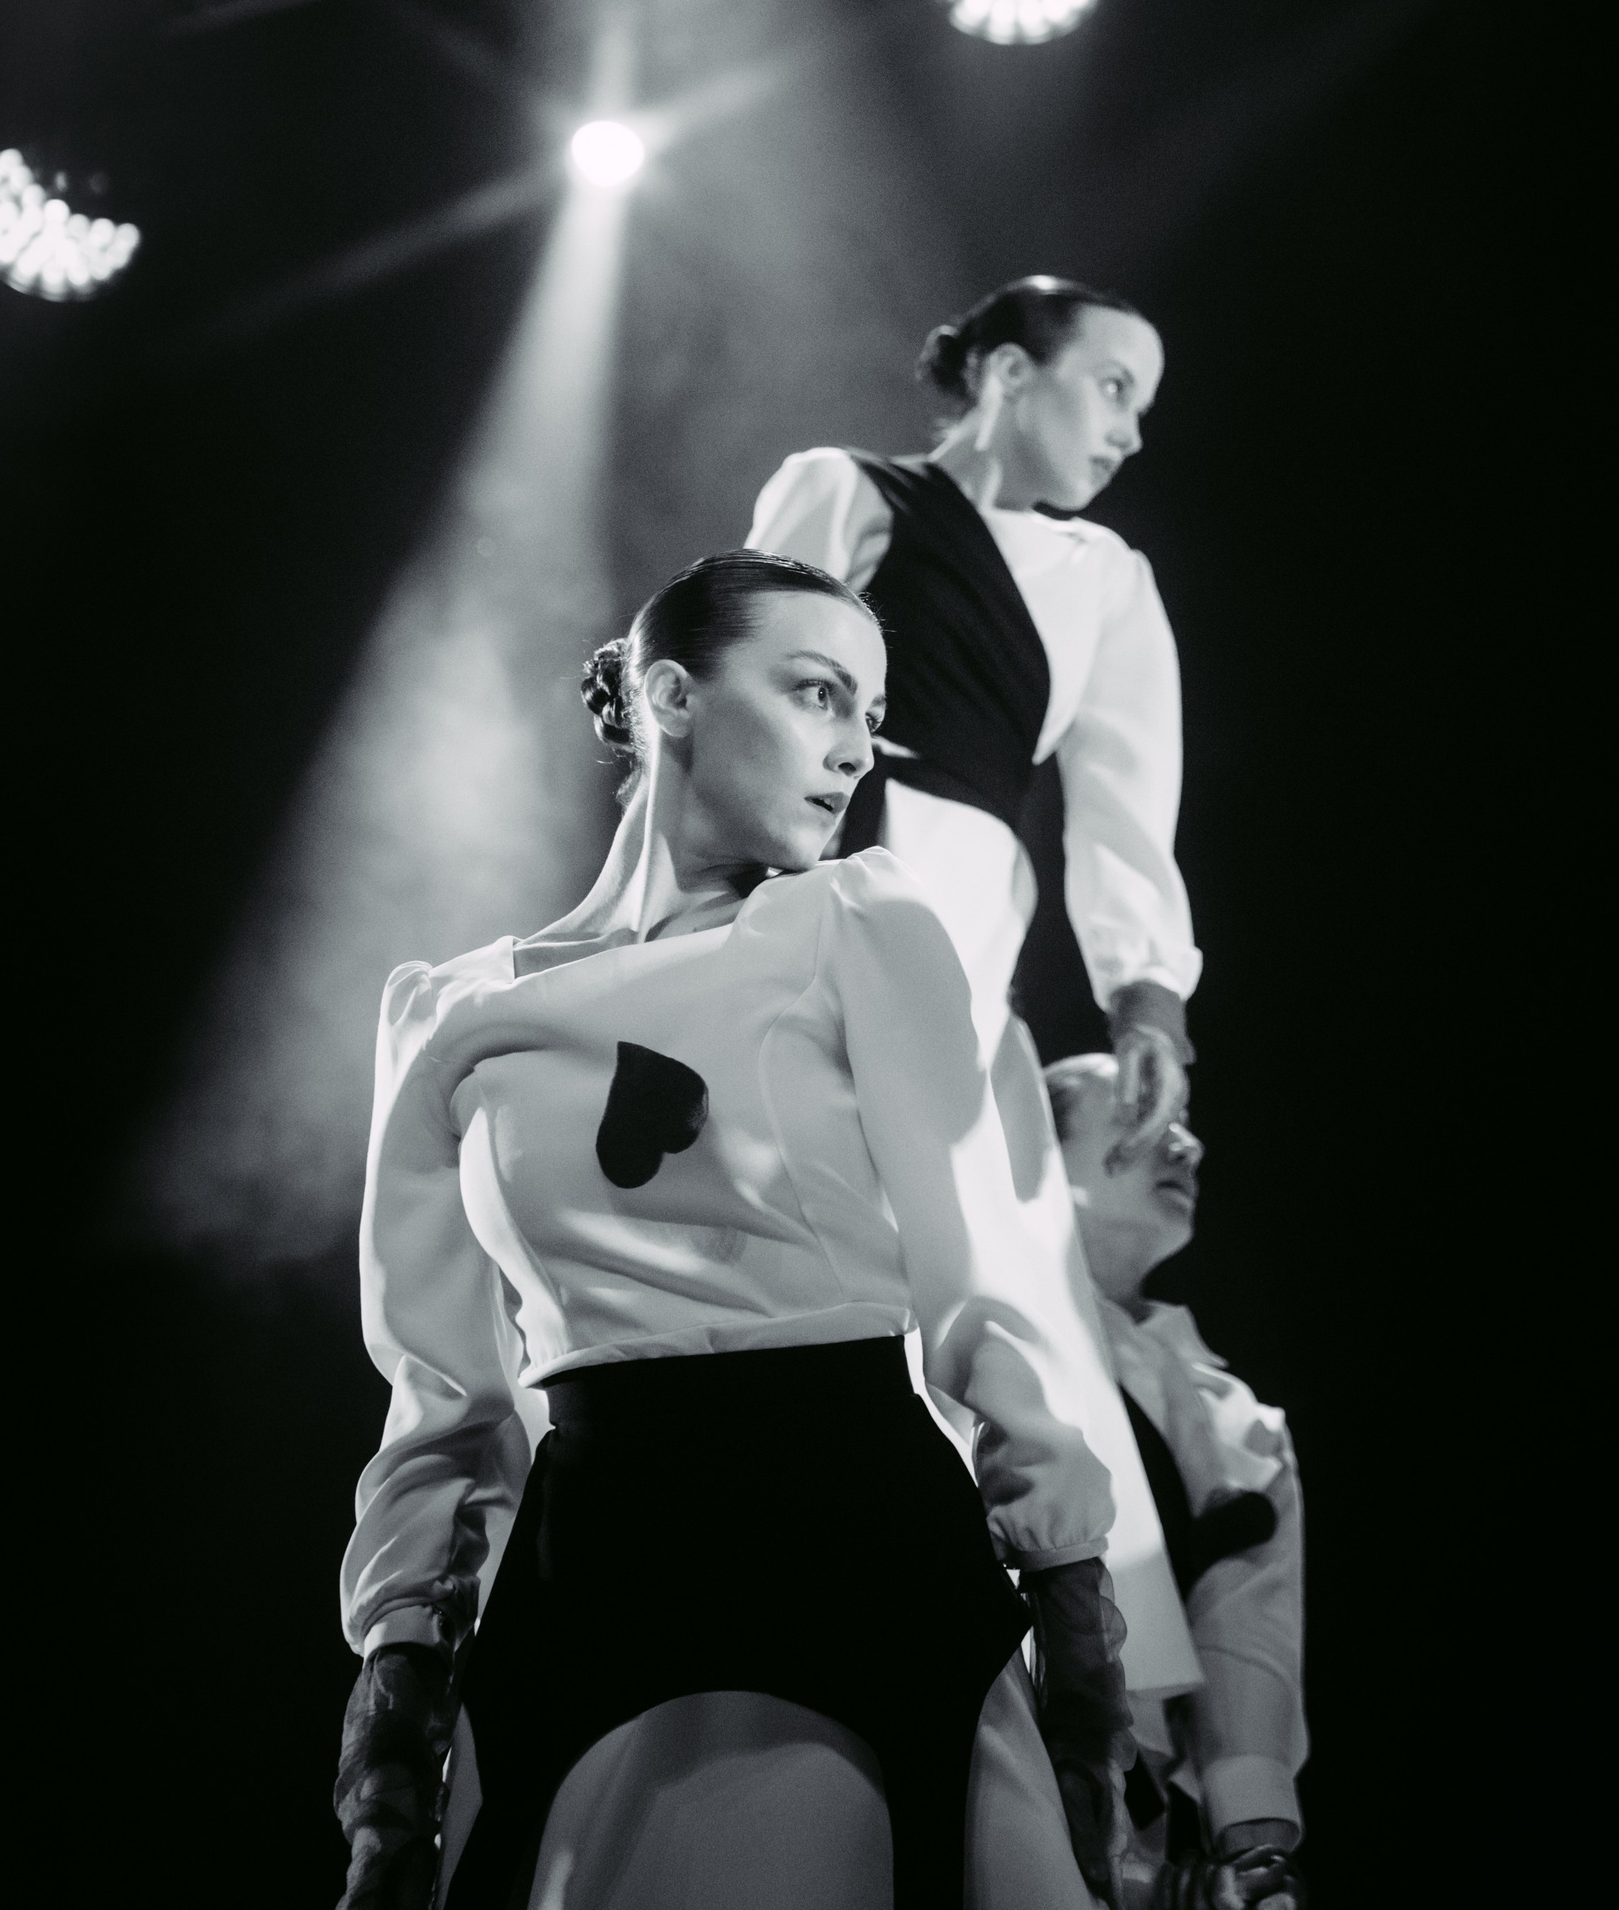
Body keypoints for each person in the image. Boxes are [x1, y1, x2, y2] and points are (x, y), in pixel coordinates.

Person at [333, 550, 1137, 1910]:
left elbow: (980, 1283)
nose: (855, 750)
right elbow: (439, 1390)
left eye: (869, 715)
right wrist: (400, 1673)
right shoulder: (448, 1014)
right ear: (672, 696)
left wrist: (1074, 1600)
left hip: (852, 1531)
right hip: (594, 1558)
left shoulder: (856, 921)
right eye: (818, 693)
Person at [747, 275, 1203, 1691]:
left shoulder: (1104, 578)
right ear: (1009, 372)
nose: (1131, 431)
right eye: (1112, 386)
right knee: (792, 1240)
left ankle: (1050, 1668)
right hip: (800, 910)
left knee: (973, 1278)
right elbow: (740, 697)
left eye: (1144, 404)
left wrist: (1146, 992)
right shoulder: (843, 491)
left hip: (959, 927)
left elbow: (1125, 800)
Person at [1046, 1055, 1306, 1910]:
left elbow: (1247, 1625)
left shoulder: (1234, 1418)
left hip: (1147, 1829)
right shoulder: (946, 1341)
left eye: (1184, 1121)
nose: (1186, 1145)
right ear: (1032, 1147)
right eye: (1139, 1113)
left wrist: (1255, 1853)